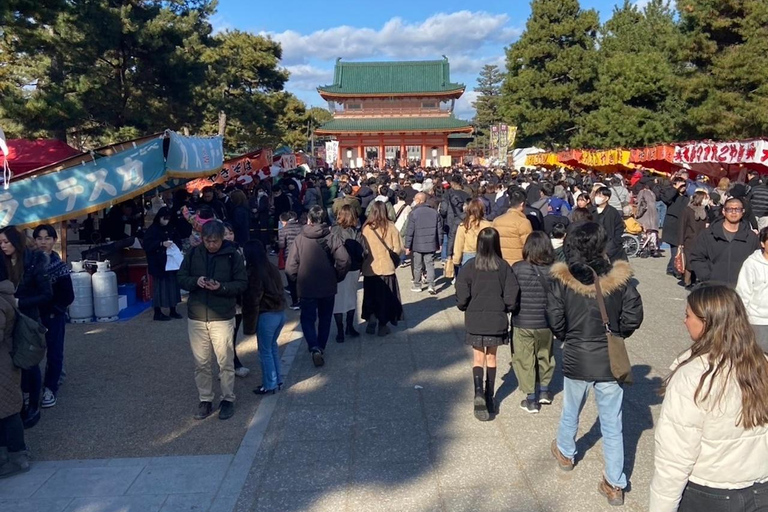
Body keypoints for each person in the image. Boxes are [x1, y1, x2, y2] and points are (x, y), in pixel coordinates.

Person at [547, 222, 643, 506]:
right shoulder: (620, 279)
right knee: (612, 423)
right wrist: (618, 333)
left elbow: (555, 318)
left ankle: (566, 452)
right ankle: (614, 483)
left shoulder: (562, 280)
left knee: (571, 410)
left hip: (577, 353)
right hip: (609, 358)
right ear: (602, 245)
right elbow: (633, 315)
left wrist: (567, 336)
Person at [650, 285, 768, 512]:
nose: (684, 321)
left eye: (688, 315)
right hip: (760, 490)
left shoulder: (693, 378)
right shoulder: (761, 365)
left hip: (710, 494)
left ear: (707, 323)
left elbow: (674, 458)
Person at [177, 221, 247, 421]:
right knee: (201, 362)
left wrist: (221, 287)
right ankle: (205, 399)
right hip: (197, 315)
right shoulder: (193, 253)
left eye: (215, 241)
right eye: (207, 241)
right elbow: (181, 277)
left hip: (222, 315)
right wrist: (195, 281)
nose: (211, 245)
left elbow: (242, 284)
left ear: (222, 238)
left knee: (225, 361)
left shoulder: (233, 255)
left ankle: (227, 399)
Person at [456, 227, 519, 421]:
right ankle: (490, 395)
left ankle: (477, 392)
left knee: (478, 358)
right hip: (496, 318)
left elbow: (461, 290)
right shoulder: (503, 266)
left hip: (475, 317)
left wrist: (463, 305)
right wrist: (508, 307)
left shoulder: (470, 266)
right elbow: (511, 293)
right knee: (491, 357)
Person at [0, 226, 52, 429]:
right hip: (8, 321)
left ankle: (33, 404)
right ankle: (18, 403)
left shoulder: (33, 261)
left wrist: (20, 302)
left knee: (29, 362)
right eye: (0, 243)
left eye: (6, 242)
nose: (3, 246)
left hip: (27, 318)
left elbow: (46, 294)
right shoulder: (2, 262)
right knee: (12, 364)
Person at [285, 206, 350, 367]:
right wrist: (337, 276)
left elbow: (290, 267)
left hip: (306, 285)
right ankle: (320, 346)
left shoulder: (300, 239)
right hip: (327, 284)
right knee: (325, 318)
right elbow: (344, 260)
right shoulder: (331, 237)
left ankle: (313, 346)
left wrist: (296, 280)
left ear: (309, 220)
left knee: (307, 319)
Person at [512, 232, 556, 414]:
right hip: (546, 322)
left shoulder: (518, 268)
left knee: (525, 359)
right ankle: (544, 390)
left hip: (523, 321)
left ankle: (531, 398)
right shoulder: (555, 270)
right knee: (545, 355)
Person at [33, 225, 74, 410]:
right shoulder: (29, 264)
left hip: (53, 316)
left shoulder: (59, 266)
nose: (43, 242)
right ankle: (29, 389)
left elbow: (68, 295)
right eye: (39, 238)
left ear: (54, 240)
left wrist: (56, 309)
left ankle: (50, 387)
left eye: (47, 238)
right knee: (29, 351)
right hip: (32, 316)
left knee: (55, 352)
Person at [241, 240, 287, 395]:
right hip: (279, 312)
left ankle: (269, 384)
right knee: (272, 348)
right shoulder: (271, 267)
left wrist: (248, 322)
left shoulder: (254, 272)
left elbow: (253, 299)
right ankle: (277, 379)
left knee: (265, 351)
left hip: (266, 314)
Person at [688, 197, 760, 288]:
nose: (733, 212)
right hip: (713, 288)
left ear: (743, 212)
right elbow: (696, 257)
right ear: (723, 211)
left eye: (737, 209)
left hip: (742, 289)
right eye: (730, 209)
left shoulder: (751, 237)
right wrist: (707, 277)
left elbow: (758, 260)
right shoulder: (709, 234)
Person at [361, 201, 404, 336]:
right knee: (386, 298)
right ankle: (383, 324)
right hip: (386, 267)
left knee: (370, 295)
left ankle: (371, 315)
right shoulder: (390, 227)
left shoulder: (366, 228)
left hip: (370, 268)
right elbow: (398, 248)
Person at [0, 262, 25, 477]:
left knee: (8, 412)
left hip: (2, 364)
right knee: (7, 410)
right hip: (7, 361)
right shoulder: (6, 294)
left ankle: (17, 457)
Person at [331, 205, 364, 343]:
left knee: (338, 301)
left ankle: (340, 331)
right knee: (351, 297)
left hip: (338, 268)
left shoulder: (334, 231)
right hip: (354, 268)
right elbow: (364, 252)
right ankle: (349, 326)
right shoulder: (357, 232)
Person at [143, 207, 183, 321]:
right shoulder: (153, 229)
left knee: (173, 286)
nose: (166, 221)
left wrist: (175, 247)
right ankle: (157, 311)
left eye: (168, 219)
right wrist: (160, 244)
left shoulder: (171, 228)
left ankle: (173, 309)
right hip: (158, 263)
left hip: (171, 262)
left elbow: (178, 240)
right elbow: (147, 245)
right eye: (164, 218)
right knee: (159, 287)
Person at [223, 224, 249, 378]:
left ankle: (230, 362)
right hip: (224, 298)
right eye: (225, 234)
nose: (229, 236)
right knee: (226, 335)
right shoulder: (217, 253)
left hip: (239, 298)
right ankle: (230, 364)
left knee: (233, 333)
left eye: (231, 233)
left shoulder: (239, 250)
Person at [736, 227, 768, 352]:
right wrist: (741, 318)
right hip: (757, 320)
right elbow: (743, 292)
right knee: (757, 358)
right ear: (762, 243)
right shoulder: (751, 264)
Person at [405, 193, 442, 295]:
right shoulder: (434, 213)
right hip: (431, 243)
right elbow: (439, 230)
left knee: (417, 266)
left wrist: (407, 245)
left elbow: (410, 231)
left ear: (419, 200)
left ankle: (417, 285)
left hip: (417, 244)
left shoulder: (414, 213)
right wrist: (440, 243)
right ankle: (431, 285)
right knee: (430, 265)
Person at [677, 190, 709, 288]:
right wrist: (680, 242)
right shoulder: (688, 210)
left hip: (701, 239)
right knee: (689, 262)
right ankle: (687, 281)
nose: (707, 200)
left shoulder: (705, 209)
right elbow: (682, 226)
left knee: (698, 260)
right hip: (689, 239)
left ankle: (694, 280)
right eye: (705, 198)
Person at [492, 189, 533, 265]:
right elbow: (528, 247)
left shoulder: (496, 221)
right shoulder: (524, 222)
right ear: (522, 204)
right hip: (518, 263)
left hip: (500, 263)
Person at [661, 177, 689, 279]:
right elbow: (665, 199)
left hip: (682, 224)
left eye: (684, 185)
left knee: (678, 247)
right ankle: (677, 271)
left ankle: (670, 268)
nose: (683, 188)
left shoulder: (687, 197)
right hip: (672, 225)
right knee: (675, 248)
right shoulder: (671, 195)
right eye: (681, 185)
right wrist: (675, 189)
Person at [452, 198, 492, 270]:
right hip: (484, 254)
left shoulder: (464, 226)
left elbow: (459, 244)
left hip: (468, 255)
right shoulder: (488, 225)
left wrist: (456, 260)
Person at [440, 175, 470, 265]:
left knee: (450, 240)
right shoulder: (466, 194)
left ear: (452, 183)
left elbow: (443, 209)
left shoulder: (447, 194)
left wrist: (443, 216)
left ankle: (448, 259)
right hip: (463, 219)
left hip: (450, 220)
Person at [591, 187, 627, 262]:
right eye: (597, 195)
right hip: (594, 244)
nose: (597, 197)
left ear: (606, 198)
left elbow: (619, 228)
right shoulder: (591, 211)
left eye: (600, 196)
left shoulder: (613, 212)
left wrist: (615, 242)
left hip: (610, 245)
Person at [277, 211, 302, 310]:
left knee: (292, 279)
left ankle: (295, 301)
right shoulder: (301, 227)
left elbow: (281, 245)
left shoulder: (283, 230)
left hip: (290, 256)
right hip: (301, 254)